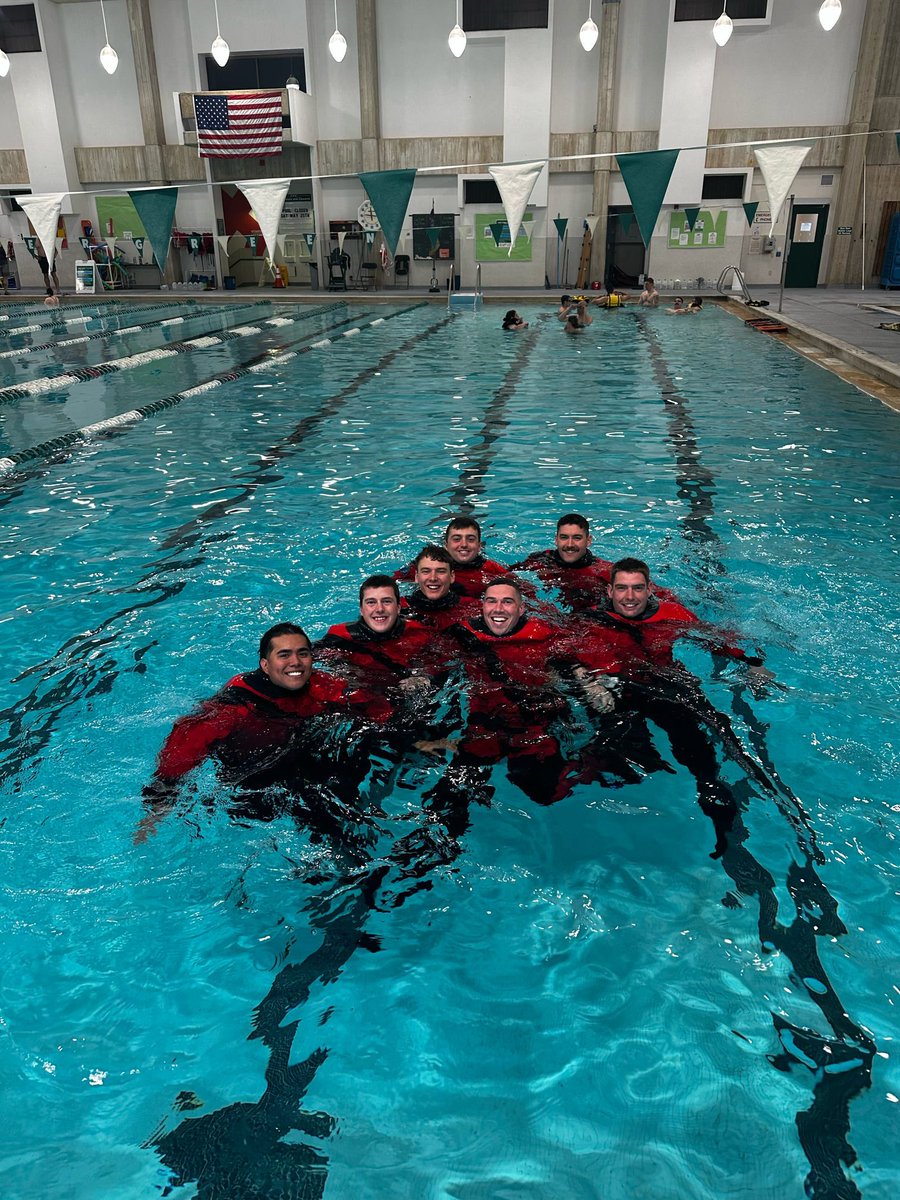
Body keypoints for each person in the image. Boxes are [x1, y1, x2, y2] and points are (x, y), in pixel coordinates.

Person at [135, 623, 385, 845]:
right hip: (251, 782)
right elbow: (184, 743)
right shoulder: (236, 706)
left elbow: (374, 707)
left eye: (303, 653)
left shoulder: (321, 685)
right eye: (284, 655)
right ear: (265, 665)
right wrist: (159, 804)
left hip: (302, 759)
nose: (295, 662)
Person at [510, 513, 614, 612]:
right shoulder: (540, 560)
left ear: (588, 540)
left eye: (577, 538)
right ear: (556, 540)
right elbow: (504, 577)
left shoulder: (605, 571)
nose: (569, 544)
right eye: (564, 537)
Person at [396, 516, 509, 599]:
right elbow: (389, 586)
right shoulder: (424, 566)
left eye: (470, 539)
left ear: (479, 546)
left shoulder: (492, 570)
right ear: (446, 545)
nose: (464, 544)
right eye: (456, 539)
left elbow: (522, 591)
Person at [401, 544, 480, 631]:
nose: (433, 578)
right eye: (426, 571)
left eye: (441, 571)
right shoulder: (400, 607)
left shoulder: (472, 606)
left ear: (452, 576)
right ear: (416, 577)